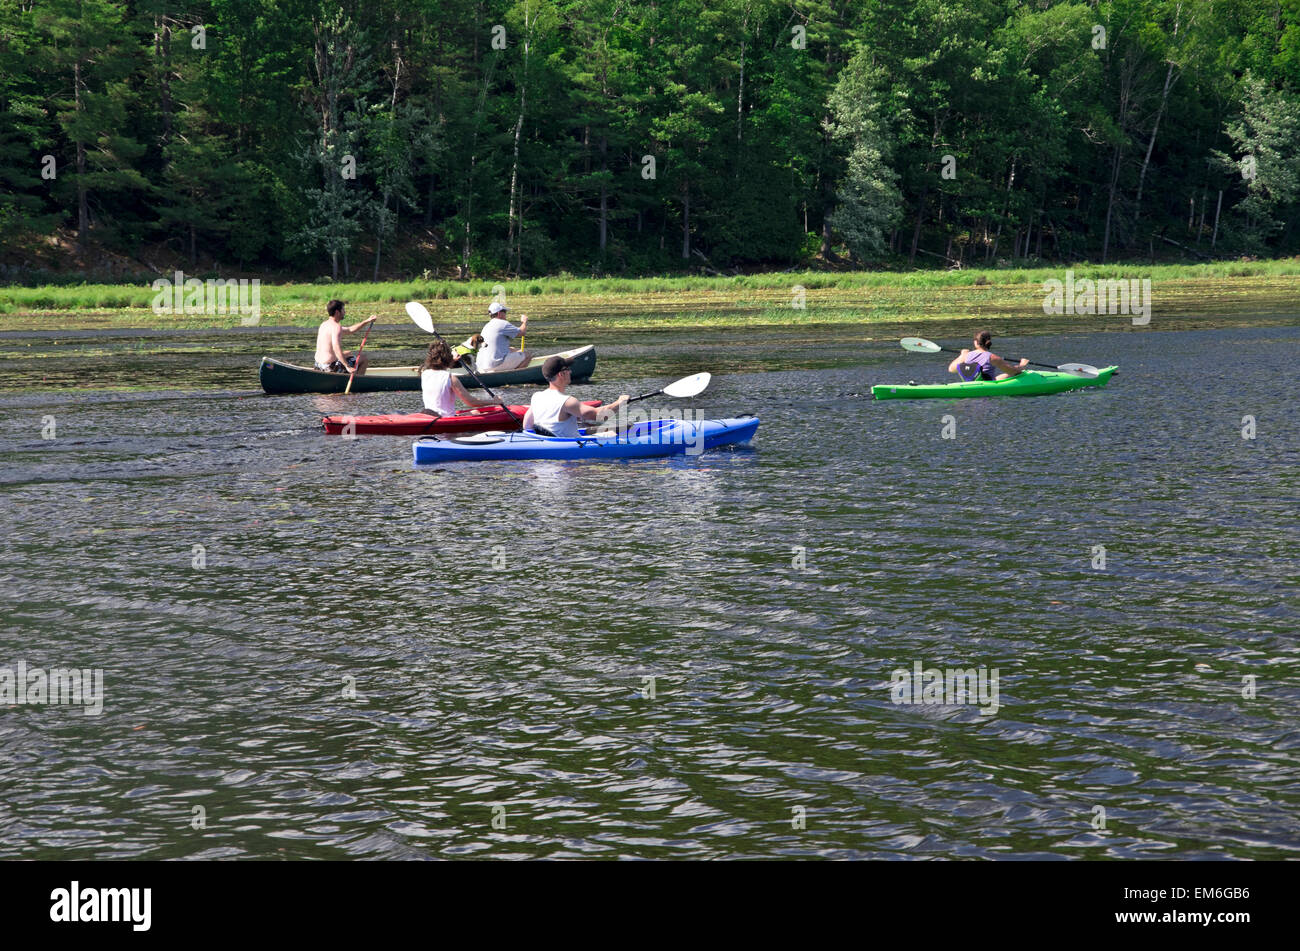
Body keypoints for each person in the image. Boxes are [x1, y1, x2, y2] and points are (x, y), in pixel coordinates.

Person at [522, 355, 628, 437]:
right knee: (613, 434)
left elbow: (527, 425)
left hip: (548, 442)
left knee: (606, 431)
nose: (570, 371)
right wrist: (620, 402)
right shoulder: (567, 401)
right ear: (561, 374)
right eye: (568, 369)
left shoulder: (537, 396)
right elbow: (597, 415)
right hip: (568, 450)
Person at [419, 340, 502, 416]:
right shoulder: (450, 378)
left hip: (429, 415)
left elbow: (438, 369)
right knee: (476, 412)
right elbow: (471, 402)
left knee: (475, 412)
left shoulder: (425, 373)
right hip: (445, 418)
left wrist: (452, 359)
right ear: (448, 358)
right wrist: (494, 401)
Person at [314, 300, 376, 374]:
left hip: (318, 366)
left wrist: (367, 321)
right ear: (337, 312)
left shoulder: (324, 325)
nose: (344, 312)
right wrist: (347, 366)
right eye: (343, 310)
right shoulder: (336, 327)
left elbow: (350, 330)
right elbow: (336, 348)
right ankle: (356, 382)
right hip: (329, 367)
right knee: (363, 359)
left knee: (348, 353)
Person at [948, 330, 1028, 381]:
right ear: (988, 343)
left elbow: (951, 369)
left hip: (970, 383)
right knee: (1015, 373)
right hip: (986, 385)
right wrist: (1022, 365)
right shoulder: (993, 357)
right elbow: (1013, 371)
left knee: (1005, 375)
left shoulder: (966, 355)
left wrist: (961, 355)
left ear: (975, 342)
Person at [477, 301, 530, 372]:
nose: (506, 314)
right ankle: (515, 376)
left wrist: (517, 351)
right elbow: (522, 332)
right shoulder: (502, 323)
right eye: (504, 312)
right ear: (499, 313)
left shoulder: (486, 326)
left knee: (512, 349)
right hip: (494, 364)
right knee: (527, 355)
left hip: (482, 366)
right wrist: (524, 322)